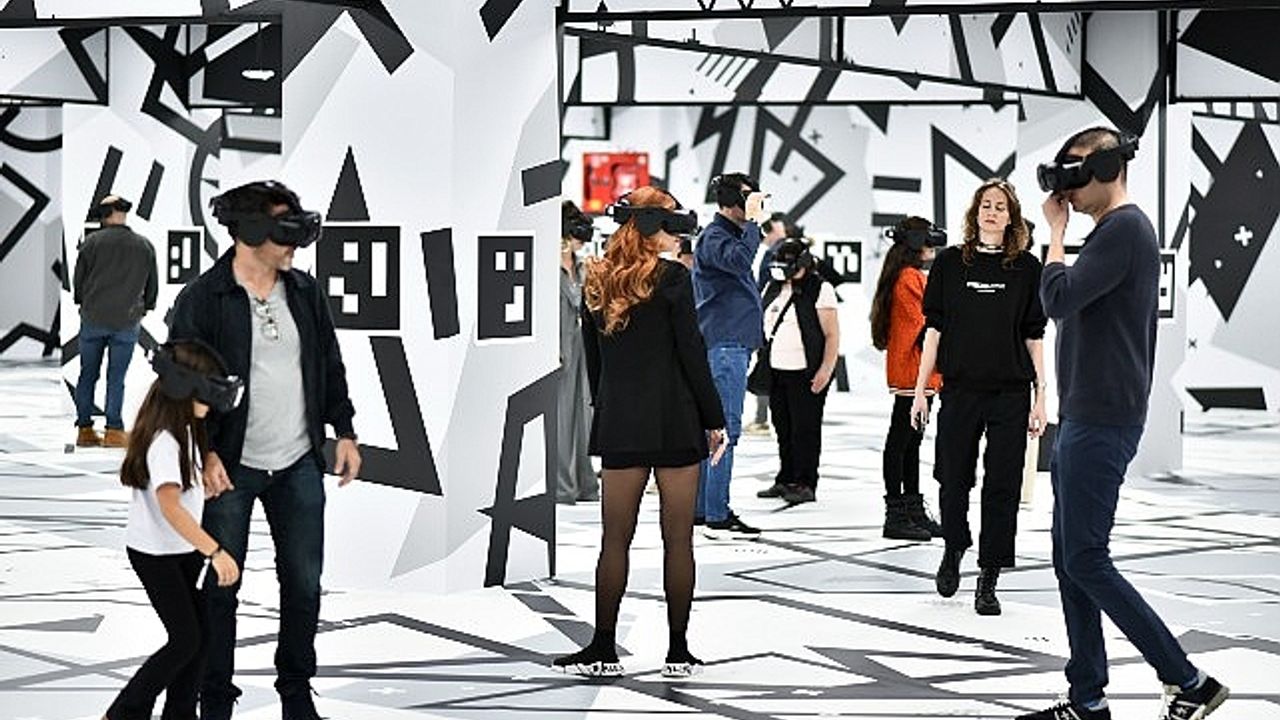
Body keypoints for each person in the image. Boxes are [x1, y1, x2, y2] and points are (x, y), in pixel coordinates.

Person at [1018, 128, 1229, 720]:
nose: (1066, 189)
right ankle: (1087, 697)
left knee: (1086, 558)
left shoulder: (1125, 230)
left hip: (1102, 420)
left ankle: (1188, 680)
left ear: (1108, 167)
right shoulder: (1112, 233)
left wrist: (1054, 235)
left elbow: (1056, 300)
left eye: (1075, 173)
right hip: (1083, 415)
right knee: (1069, 559)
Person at [167, 180, 362, 720]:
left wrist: (344, 430)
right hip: (229, 466)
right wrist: (204, 452)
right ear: (250, 231)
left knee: (303, 584)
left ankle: (296, 690)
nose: (294, 243)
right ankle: (215, 695)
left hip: (298, 462)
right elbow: (180, 387)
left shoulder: (304, 291)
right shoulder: (203, 299)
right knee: (220, 585)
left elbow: (328, 363)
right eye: (283, 230)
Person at [553, 186, 726, 679]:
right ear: (652, 227)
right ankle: (678, 652)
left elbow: (594, 362)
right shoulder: (674, 278)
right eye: (671, 224)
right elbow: (691, 353)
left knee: (614, 541)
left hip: (622, 423)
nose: (678, 233)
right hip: (675, 420)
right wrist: (715, 419)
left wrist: (606, 407)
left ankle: (602, 647)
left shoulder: (597, 277)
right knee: (678, 541)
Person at [911, 178, 1048, 617]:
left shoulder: (1027, 268)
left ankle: (989, 575)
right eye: (985, 205)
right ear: (975, 213)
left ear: (1012, 217)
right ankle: (954, 546)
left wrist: (1042, 397)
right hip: (960, 388)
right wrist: (921, 391)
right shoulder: (951, 263)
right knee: (952, 477)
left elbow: (1034, 336)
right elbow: (933, 332)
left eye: (1000, 207)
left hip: (1010, 392)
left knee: (1003, 485)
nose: (991, 212)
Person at [104, 340, 242, 720]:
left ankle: (179, 713)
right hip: (156, 555)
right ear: (184, 389)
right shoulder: (166, 440)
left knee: (200, 637)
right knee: (185, 640)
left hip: (178, 550)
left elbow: (180, 494)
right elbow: (169, 507)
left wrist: (202, 488)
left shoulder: (187, 429)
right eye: (207, 392)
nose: (212, 403)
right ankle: (123, 714)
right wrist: (215, 552)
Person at [692, 173, 769, 539]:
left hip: (730, 345)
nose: (756, 206)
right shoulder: (715, 237)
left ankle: (704, 507)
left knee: (716, 431)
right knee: (724, 431)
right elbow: (739, 262)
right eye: (749, 198)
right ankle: (716, 511)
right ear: (732, 201)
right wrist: (753, 222)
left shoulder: (724, 236)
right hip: (725, 348)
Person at [869, 217, 946, 541]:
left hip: (913, 370)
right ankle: (897, 514)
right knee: (901, 442)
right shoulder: (910, 278)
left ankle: (911, 509)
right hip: (914, 371)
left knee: (909, 442)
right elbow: (926, 325)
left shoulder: (902, 275)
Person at [753, 239, 839, 505]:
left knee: (806, 430)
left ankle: (805, 482)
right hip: (776, 370)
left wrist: (825, 370)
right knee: (783, 428)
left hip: (806, 372)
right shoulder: (773, 287)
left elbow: (832, 334)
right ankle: (786, 478)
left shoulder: (820, 288)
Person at [73, 194, 158, 448]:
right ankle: (113, 430)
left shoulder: (91, 243)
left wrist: (84, 303)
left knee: (87, 374)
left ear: (104, 214)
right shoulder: (144, 245)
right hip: (127, 321)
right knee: (116, 377)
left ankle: (84, 429)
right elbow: (152, 286)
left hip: (93, 318)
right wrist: (145, 308)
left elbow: (78, 283)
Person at [557, 200, 599, 504]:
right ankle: (563, 486)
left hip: (584, 346)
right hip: (559, 348)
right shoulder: (546, 267)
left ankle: (586, 484)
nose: (580, 241)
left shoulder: (583, 268)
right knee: (562, 419)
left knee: (586, 417)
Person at [745, 212, 794, 438]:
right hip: (770, 317)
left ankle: (764, 419)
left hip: (774, 318)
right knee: (767, 366)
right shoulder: (771, 251)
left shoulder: (778, 251)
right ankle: (764, 418)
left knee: (768, 366)